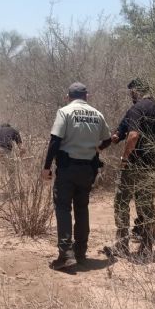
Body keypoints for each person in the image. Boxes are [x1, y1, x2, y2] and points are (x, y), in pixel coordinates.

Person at [42, 82, 112, 270]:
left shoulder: (65, 112)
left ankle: (66, 254)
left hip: (67, 168)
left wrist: (46, 167)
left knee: (63, 208)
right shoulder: (97, 114)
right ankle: (80, 252)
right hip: (88, 169)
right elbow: (107, 139)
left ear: (68, 97)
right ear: (86, 96)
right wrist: (98, 148)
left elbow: (55, 140)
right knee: (82, 208)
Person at [104, 78, 155, 260]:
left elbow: (133, 135)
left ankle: (122, 245)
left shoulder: (137, 109)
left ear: (135, 91)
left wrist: (124, 158)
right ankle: (147, 247)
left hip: (134, 165)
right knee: (146, 205)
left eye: (131, 92)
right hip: (151, 166)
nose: (131, 96)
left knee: (121, 202)